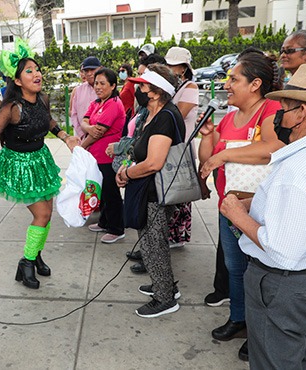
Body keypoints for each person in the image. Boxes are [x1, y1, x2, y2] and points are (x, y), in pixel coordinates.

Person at [221, 63, 306, 369]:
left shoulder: (299, 172)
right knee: (297, 349)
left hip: (284, 284)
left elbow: (282, 250)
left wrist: (235, 213)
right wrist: (258, 204)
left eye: (284, 107)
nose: (277, 114)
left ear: (302, 113)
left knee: (274, 359)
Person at [0, 40, 79, 289]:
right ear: (17, 81)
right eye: (29, 71)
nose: (36, 74)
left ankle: (35, 255)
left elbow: (48, 121)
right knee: (43, 214)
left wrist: (65, 136)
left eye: (37, 70)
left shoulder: (43, 99)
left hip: (40, 160)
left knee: (46, 216)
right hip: (20, 166)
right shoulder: (12, 108)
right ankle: (26, 262)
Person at [198, 48, 283, 358]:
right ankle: (239, 319)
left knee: (257, 272)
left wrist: (225, 153)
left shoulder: (271, 108)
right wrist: (209, 137)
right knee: (235, 268)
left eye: (234, 79)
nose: (226, 84)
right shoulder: (231, 116)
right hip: (228, 206)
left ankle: (259, 331)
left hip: (256, 208)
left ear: (255, 84)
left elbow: (271, 148)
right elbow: (208, 160)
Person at [116, 65, 183, 318]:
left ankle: (165, 298)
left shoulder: (165, 116)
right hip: (150, 189)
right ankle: (164, 284)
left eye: (142, 86)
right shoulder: (154, 114)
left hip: (156, 192)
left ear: (155, 92)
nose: (137, 90)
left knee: (153, 244)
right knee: (152, 242)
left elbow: (154, 162)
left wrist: (126, 174)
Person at [81, 68, 126, 244]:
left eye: (103, 84)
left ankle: (117, 229)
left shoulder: (114, 104)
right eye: (96, 83)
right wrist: (88, 127)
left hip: (108, 157)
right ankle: (104, 222)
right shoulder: (97, 102)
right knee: (103, 192)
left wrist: (81, 147)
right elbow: (85, 121)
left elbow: (98, 132)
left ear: (113, 85)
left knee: (111, 192)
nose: (98, 87)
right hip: (96, 156)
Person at [164, 46, 200, 249]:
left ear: (184, 68)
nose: (169, 69)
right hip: (170, 147)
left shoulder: (190, 88)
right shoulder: (174, 87)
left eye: (173, 65)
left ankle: (178, 236)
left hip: (181, 148)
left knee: (180, 194)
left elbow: (177, 115)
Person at [70, 56, 101, 139]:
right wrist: (81, 134)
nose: (89, 73)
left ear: (100, 69)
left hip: (101, 137)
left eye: (92, 70)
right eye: (86, 71)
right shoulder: (78, 90)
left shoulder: (106, 90)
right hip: (81, 137)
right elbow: (74, 114)